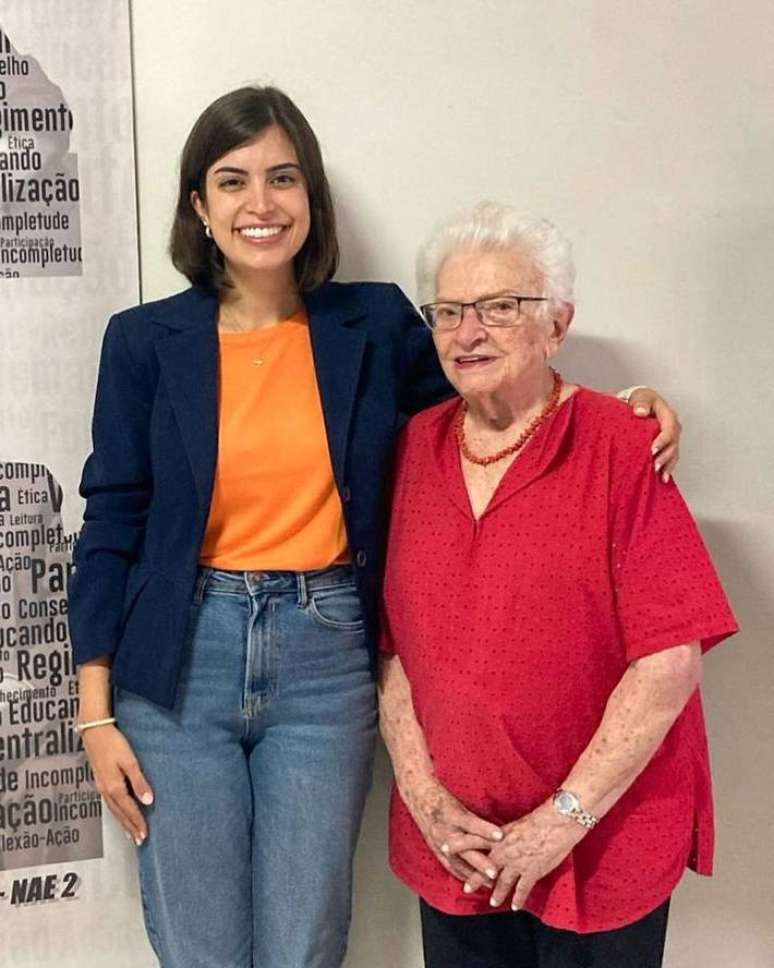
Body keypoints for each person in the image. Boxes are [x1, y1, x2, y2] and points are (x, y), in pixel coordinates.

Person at [67, 87, 680, 968]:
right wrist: (93, 715)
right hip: (178, 665)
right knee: (201, 947)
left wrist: (617, 411)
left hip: (326, 659)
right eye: (232, 181)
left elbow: (485, 415)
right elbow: (111, 519)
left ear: (311, 199)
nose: (261, 203)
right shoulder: (142, 341)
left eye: (283, 178)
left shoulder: (376, 321)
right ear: (198, 206)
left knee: (305, 943)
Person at [378, 203, 737, 968]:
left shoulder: (620, 445)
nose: (468, 332)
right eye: (449, 311)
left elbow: (670, 660)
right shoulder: (410, 449)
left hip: (599, 845)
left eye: (500, 308)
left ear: (558, 324)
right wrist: (426, 799)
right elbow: (391, 649)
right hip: (458, 852)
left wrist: (560, 822)